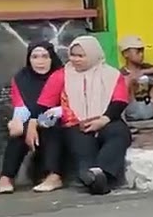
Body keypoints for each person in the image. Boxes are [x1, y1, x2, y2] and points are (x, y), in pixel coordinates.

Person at [34, 36, 133, 195]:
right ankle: (94, 178)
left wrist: (103, 120)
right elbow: (44, 106)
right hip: (74, 123)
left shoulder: (112, 75)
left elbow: (119, 101)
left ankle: (100, 174)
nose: (76, 59)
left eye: (81, 55)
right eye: (73, 55)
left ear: (93, 55)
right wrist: (52, 116)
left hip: (107, 119)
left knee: (119, 135)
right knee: (82, 147)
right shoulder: (61, 75)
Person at [0, 42, 65, 194]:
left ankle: (54, 176)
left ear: (52, 58)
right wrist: (17, 122)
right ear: (29, 59)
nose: (40, 61)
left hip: (60, 119)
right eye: (35, 57)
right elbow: (21, 106)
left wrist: (34, 123)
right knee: (18, 132)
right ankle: (6, 177)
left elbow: (67, 105)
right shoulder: (21, 78)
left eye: (44, 56)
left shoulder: (62, 75)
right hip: (32, 120)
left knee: (49, 124)